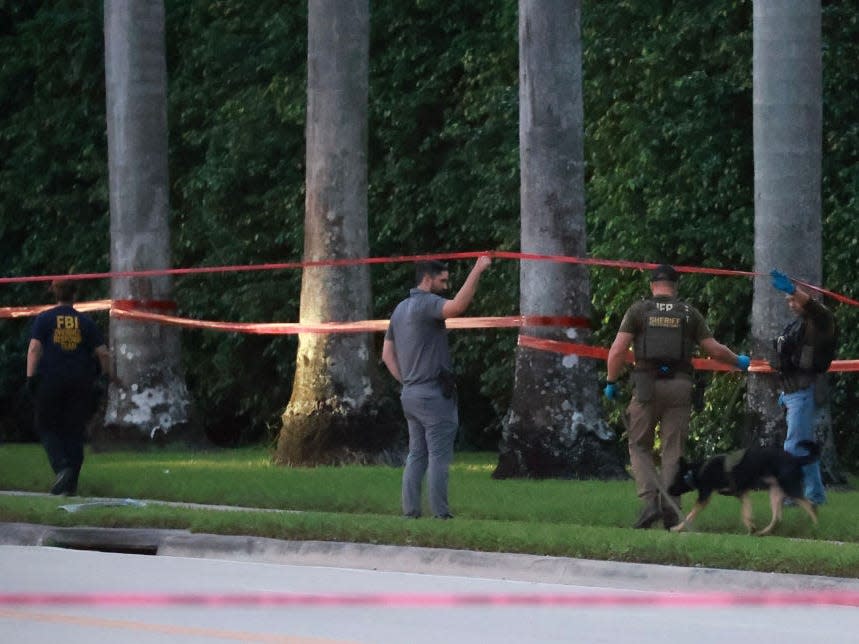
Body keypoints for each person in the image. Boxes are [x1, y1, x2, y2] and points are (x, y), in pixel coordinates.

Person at [604, 264, 751, 529]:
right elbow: (713, 349)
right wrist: (738, 361)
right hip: (680, 386)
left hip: (646, 386)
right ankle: (672, 509)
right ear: (675, 287)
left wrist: (611, 381)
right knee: (673, 449)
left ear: (652, 286)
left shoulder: (639, 311)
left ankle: (650, 503)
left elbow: (616, 351)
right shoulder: (688, 313)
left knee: (639, 446)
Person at [382, 256, 491, 519]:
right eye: (442, 279)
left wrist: (406, 381)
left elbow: (387, 355)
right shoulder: (426, 304)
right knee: (439, 457)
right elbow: (457, 306)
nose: (446, 283)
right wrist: (478, 269)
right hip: (433, 395)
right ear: (427, 278)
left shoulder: (399, 309)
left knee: (416, 454)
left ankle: (410, 512)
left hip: (410, 394)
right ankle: (441, 515)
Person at [27, 279, 115, 495]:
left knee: (46, 425)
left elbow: (34, 349)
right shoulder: (85, 322)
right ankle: (71, 484)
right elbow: (103, 353)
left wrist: (30, 377)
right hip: (80, 382)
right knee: (74, 430)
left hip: (50, 380)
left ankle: (61, 467)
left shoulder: (44, 319)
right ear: (75, 295)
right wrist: (106, 376)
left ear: (55, 294)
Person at [769, 269, 835, 506]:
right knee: (803, 445)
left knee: (794, 446)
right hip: (792, 394)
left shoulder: (823, 320)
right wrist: (785, 392)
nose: (790, 303)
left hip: (805, 393)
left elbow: (816, 310)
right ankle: (815, 496)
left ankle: (792, 495)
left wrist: (794, 290)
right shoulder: (797, 326)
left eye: (793, 298)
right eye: (788, 299)